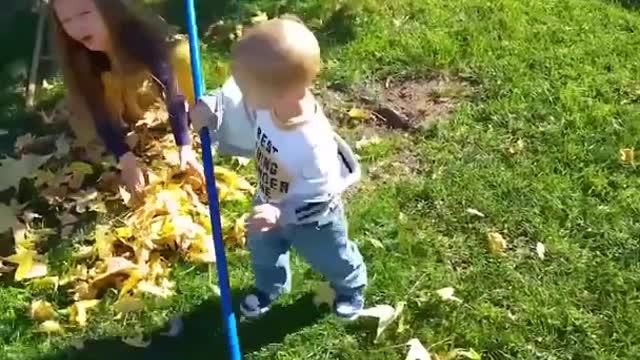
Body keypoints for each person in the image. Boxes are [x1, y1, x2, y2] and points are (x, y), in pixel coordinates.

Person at [191, 17, 368, 320]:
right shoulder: (267, 99)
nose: (243, 96)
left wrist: (280, 215)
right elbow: (233, 97)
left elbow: (319, 193)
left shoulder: (311, 144)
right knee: (262, 251)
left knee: (331, 256)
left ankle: (351, 285)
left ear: (280, 94)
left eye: (248, 90)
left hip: (312, 217)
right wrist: (212, 106)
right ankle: (269, 287)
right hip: (268, 198)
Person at [50, 0, 203, 194]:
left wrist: (184, 144)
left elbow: (169, 87)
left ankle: (192, 116)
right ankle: (116, 136)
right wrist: (126, 159)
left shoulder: (137, 35)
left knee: (181, 56)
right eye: (67, 20)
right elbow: (98, 110)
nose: (78, 28)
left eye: (85, 14)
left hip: (141, 87)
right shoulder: (78, 56)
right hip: (115, 96)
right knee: (85, 119)